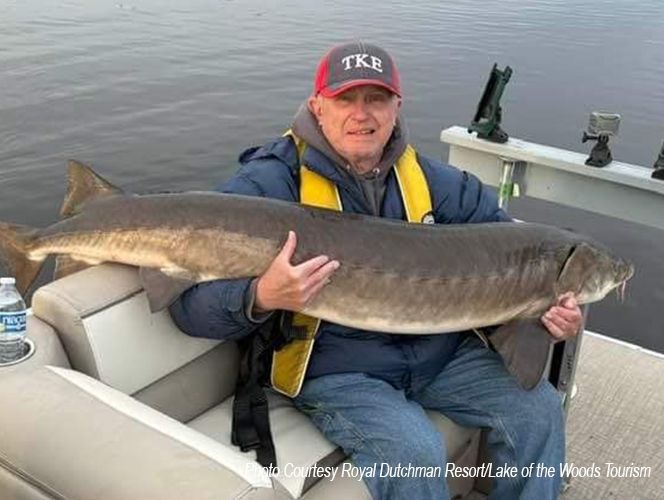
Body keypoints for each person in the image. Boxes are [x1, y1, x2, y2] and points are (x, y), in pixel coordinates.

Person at [169, 41, 582, 500]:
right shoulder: (268, 185)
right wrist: (261, 297)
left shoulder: (439, 184)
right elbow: (188, 310)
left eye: (377, 99)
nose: (362, 115)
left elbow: (514, 254)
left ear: (397, 107)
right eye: (345, 98)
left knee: (538, 409)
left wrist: (549, 309)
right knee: (414, 452)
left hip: (438, 357)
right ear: (317, 106)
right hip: (335, 368)